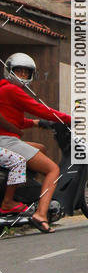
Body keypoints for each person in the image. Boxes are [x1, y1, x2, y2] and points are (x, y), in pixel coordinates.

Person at [0, 53, 71, 232]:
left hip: (7, 139)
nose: (22, 75)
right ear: (9, 71)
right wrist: (69, 118)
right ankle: (40, 213)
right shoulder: (12, 90)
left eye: (26, 72)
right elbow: (39, 109)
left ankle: (24, 188)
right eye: (18, 71)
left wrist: (36, 124)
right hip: (6, 141)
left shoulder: (5, 90)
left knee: (41, 148)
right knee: (53, 169)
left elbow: (14, 121)